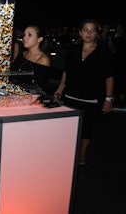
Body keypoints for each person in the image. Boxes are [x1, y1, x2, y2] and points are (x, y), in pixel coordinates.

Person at [54, 19, 114, 166]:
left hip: (90, 99)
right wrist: (60, 89)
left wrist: (109, 99)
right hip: (70, 96)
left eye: (92, 30)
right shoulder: (73, 50)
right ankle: (68, 154)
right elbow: (66, 73)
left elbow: (109, 77)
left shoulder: (103, 51)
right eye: (86, 30)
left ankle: (81, 156)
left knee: (86, 130)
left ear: (96, 33)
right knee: (68, 128)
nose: (89, 33)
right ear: (80, 32)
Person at [10, 25, 52, 94]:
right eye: (24, 35)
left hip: (30, 101)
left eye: (29, 35)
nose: (24, 38)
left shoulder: (43, 59)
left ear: (39, 39)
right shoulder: (21, 54)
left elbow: (40, 88)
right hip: (15, 97)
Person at [112, 23, 126, 107]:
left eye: (119, 27)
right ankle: (116, 96)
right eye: (117, 27)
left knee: (122, 77)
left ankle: (122, 97)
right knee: (116, 77)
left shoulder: (123, 37)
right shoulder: (113, 36)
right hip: (116, 59)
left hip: (123, 59)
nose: (118, 28)